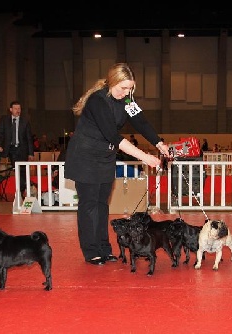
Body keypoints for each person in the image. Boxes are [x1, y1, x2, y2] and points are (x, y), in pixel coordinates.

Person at [64, 63, 169, 265]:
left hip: (105, 157)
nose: (127, 92)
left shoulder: (127, 99)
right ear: (112, 82)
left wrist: (158, 142)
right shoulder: (98, 101)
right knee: (89, 206)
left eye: (130, 88)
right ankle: (91, 251)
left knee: (102, 205)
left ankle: (104, 248)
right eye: (123, 88)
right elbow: (113, 136)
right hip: (85, 158)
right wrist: (145, 157)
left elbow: (141, 121)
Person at [0, 100, 34, 196]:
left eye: (19, 108)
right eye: (16, 108)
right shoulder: (4, 120)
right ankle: (25, 187)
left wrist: (31, 153)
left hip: (22, 149)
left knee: (23, 170)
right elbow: (0, 134)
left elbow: (29, 138)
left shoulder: (25, 122)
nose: (18, 110)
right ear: (11, 109)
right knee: (17, 169)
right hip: (11, 149)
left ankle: (23, 189)